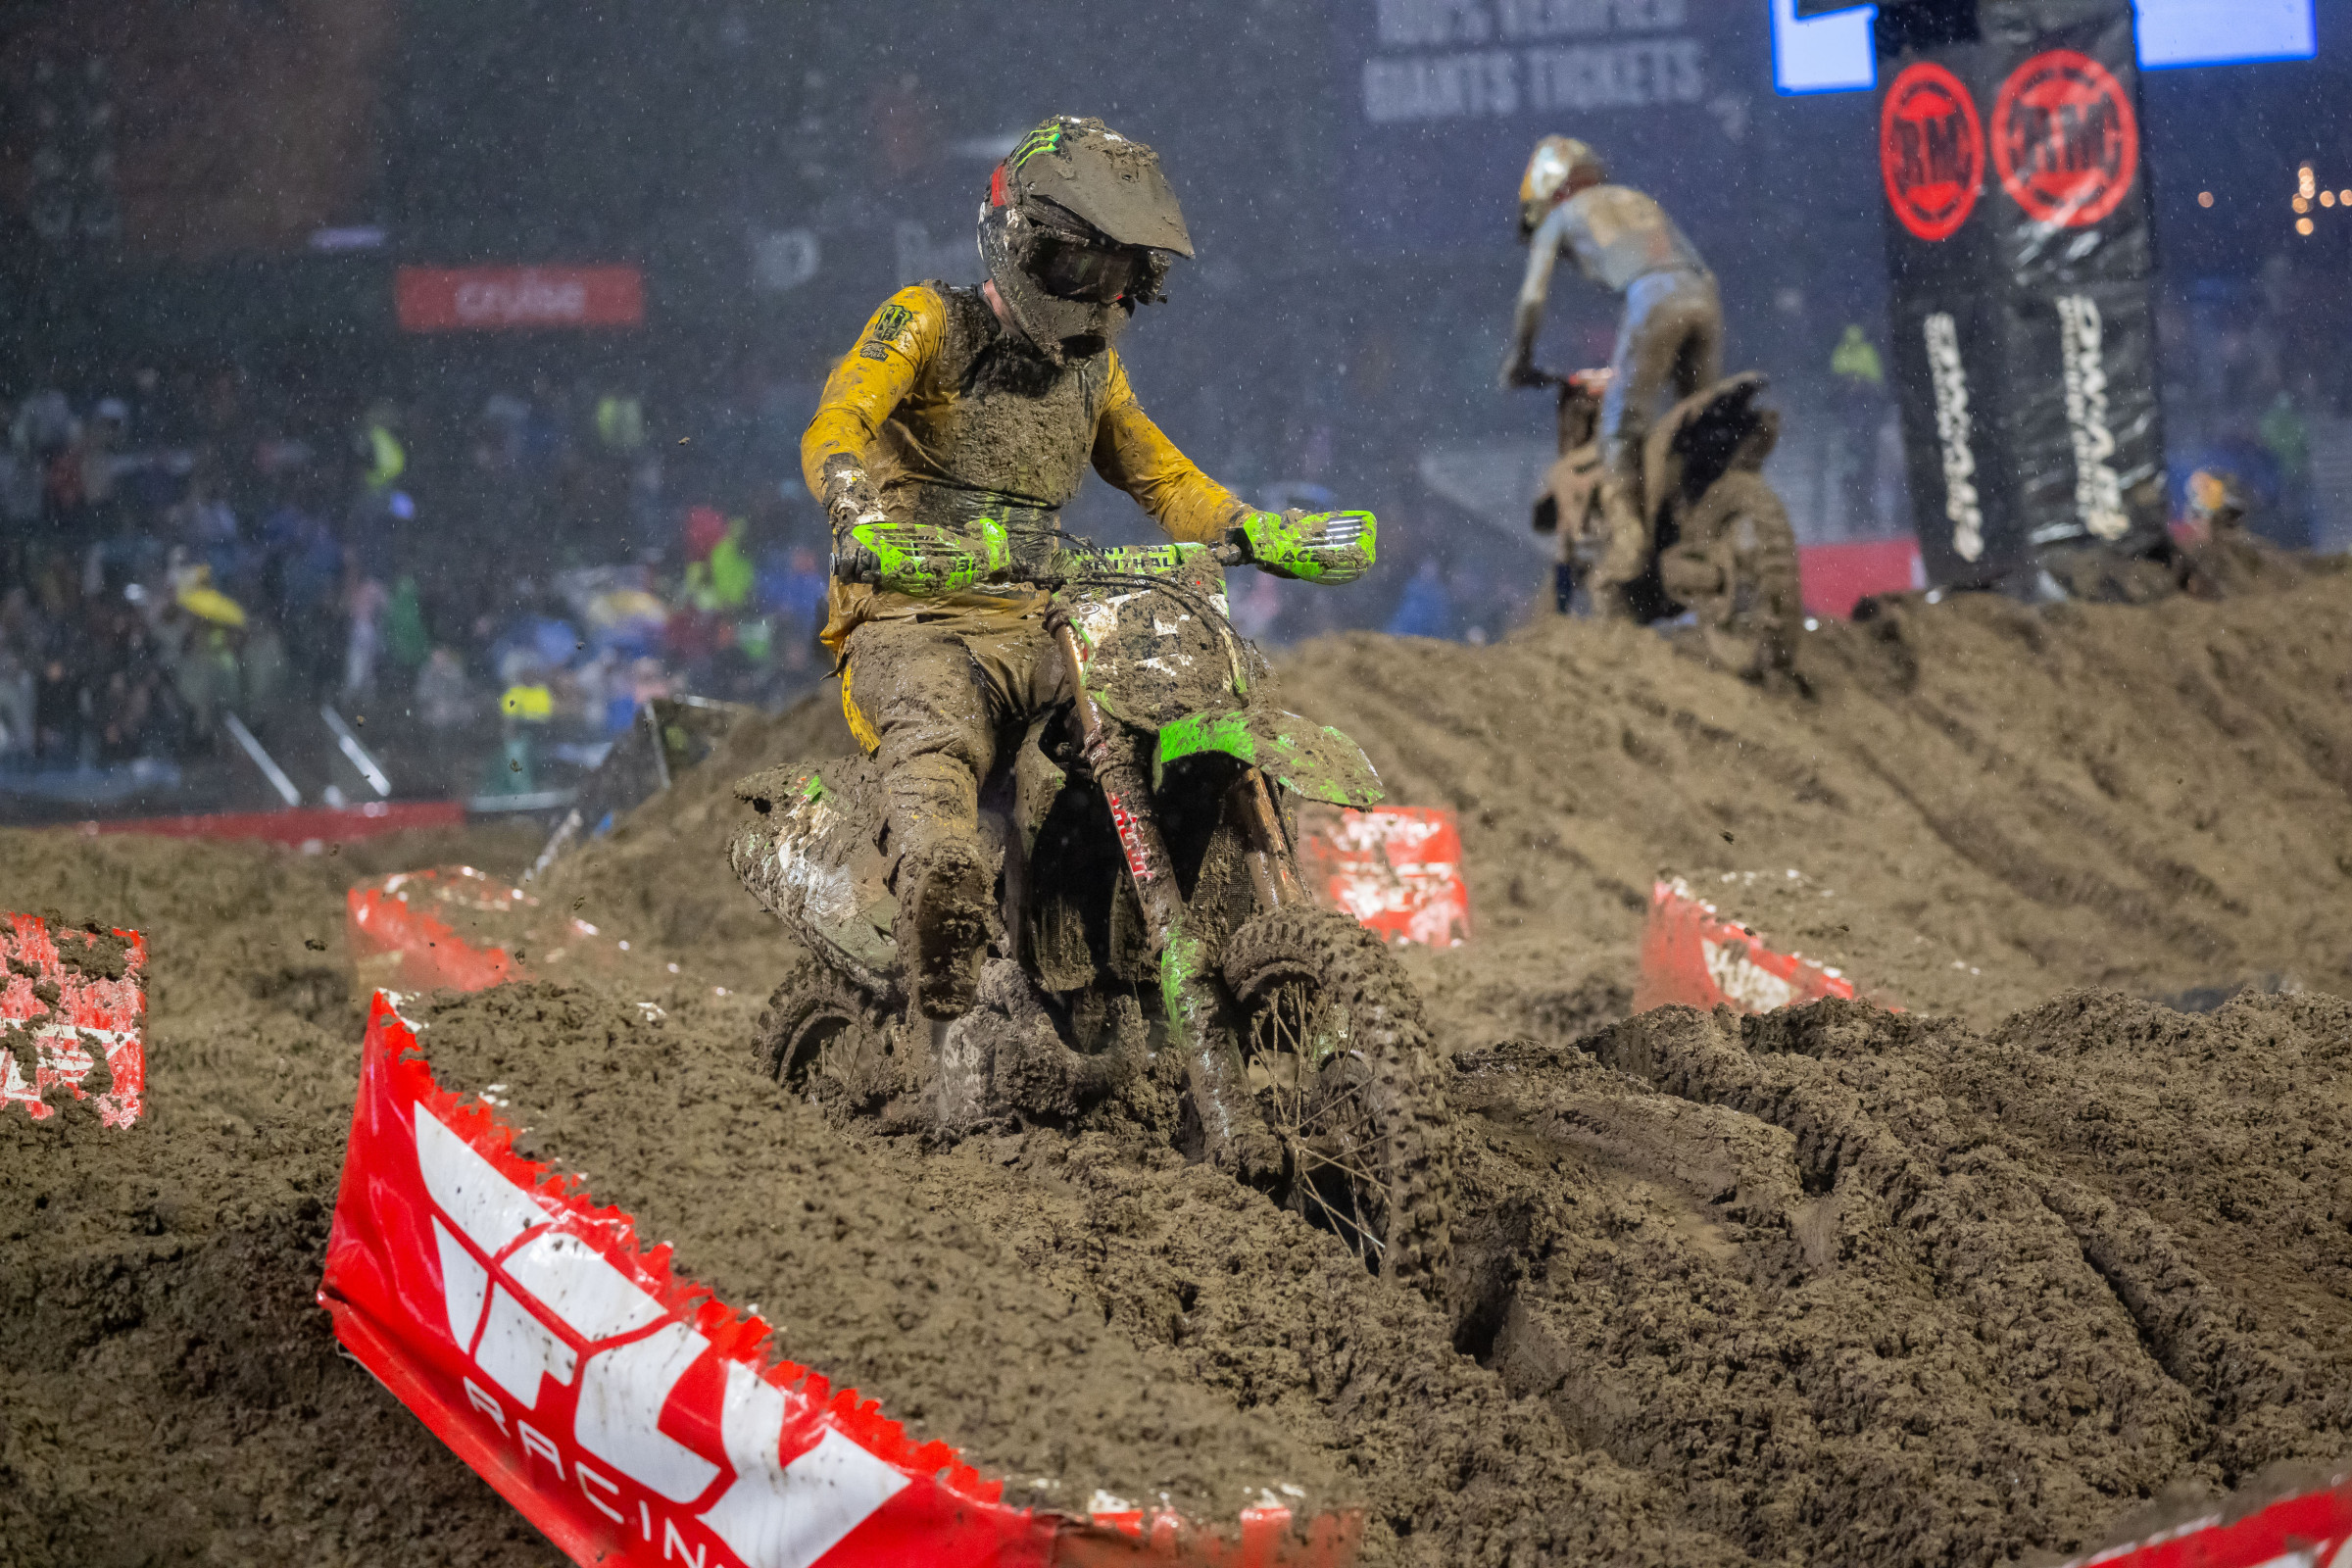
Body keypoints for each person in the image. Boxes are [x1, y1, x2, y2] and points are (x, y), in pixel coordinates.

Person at [802, 114, 1350, 1021]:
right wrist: (855, 507)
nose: (1100, 294)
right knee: (940, 740)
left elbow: (1162, 477)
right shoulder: (928, 320)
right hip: (916, 610)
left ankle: (1164, 936)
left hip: (1044, 611)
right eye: (1080, 266)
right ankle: (942, 920)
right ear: (1019, 243)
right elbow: (838, 419)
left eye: (1120, 271)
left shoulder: (1099, 373)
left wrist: (1255, 528)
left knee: (1170, 712)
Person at [1500, 136, 1720, 619]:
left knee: (1620, 431)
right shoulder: (1635, 198)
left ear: (1550, 191)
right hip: (1703, 295)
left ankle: (1629, 547)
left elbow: (1533, 300)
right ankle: (1702, 520)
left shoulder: (1560, 216)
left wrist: (1519, 359)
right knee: (1697, 423)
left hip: (1653, 300)